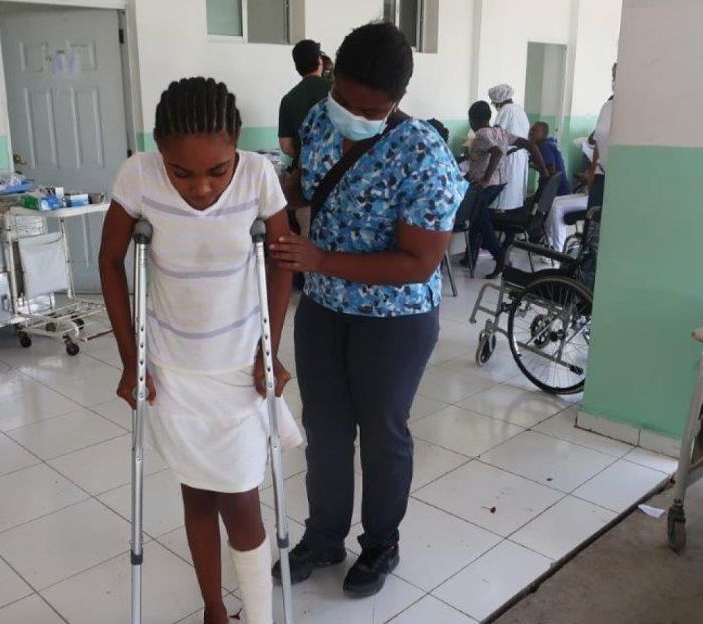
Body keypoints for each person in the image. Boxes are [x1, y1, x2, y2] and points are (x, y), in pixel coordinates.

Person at [269, 22, 465, 598]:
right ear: (331, 77)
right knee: (325, 429)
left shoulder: (423, 153)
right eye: (344, 99)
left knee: (382, 433)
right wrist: (265, 190)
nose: (352, 113)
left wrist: (321, 257)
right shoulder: (318, 118)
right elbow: (306, 184)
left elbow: (418, 263)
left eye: (369, 108)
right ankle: (325, 535)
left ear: (397, 101)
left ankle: (381, 543)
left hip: (396, 319)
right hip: (324, 308)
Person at [99, 77, 301, 624]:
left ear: (236, 144)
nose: (202, 188)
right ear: (160, 151)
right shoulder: (138, 175)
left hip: (238, 366)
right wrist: (130, 359)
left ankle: (256, 615)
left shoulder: (258, 175)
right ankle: (215, 610)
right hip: (172, 367)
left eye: (216, 170)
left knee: (239, 495)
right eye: (182, 172)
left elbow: (281, 260)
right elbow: (110, 262)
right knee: (196, 493)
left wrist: (269, 349)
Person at [466, 101, 548, 277]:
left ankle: (499, 255)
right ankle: (470, 256)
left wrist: (486, 179)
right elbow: (531, 145)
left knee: (478, 215)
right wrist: (545, 173)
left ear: (472, 120)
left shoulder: (481, 134)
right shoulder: (500, 131)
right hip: (500, 184)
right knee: (478, 214)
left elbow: (496, 152)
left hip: (487, 185)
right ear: (488, 117)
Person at [278, 39, 332, 168]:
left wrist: (307, 156)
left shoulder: (288, 99)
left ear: (297, 67)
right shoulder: (337, 91)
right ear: (320, 61)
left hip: (302, 173)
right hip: (335, 170)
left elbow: (285, 146)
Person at [488, 83, 531, 211]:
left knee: (504, 195)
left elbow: (497, 132)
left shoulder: (506, 110)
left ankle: (501, 217)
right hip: (520, 155)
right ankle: (510, 217)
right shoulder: (519, 109)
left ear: (498, 100)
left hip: (511, 157)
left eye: (493, 102)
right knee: (514, 194)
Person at [586, 62, 617, 211]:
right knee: (593, 225)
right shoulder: (607, 108)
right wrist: (592, 173)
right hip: (600, 175)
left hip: (619, 179)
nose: (615, 81)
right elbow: (598, 141)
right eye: (613, 76)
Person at [529, 121, 571, 196]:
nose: (530, 133)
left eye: (534, 130)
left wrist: (531, 165)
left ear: (544, 134)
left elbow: (551, 171)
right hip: (559, 187)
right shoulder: (548, 144)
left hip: (557, 190)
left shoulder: (545, 146)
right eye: (530, 130)